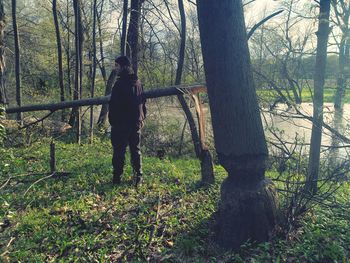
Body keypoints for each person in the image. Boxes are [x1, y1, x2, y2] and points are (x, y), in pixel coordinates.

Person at [108, 56, 146, 186]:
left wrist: (113, 122)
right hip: (135, 122)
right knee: (135, 150)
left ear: (123, 67)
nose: (115, 68)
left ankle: (117, 178)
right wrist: (142, 117)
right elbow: (143, 101)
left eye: (117, 65)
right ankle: (138, 177)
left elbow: (114, 105)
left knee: (119, 151)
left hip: (121, 124)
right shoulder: (138, 82)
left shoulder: (119, 84)